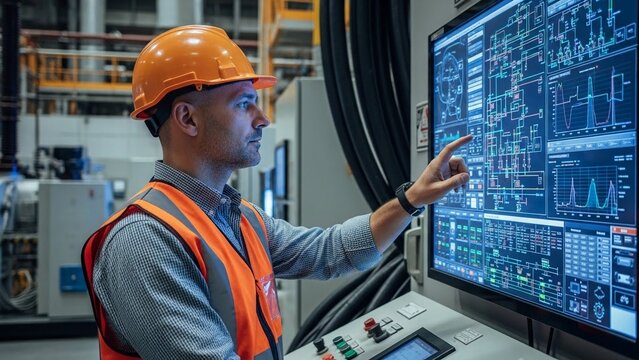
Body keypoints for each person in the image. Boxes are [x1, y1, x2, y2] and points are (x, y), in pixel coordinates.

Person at [81, 25, 472, 360]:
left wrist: (411, 200)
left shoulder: (239, 217)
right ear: (187, 118)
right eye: (244, 103)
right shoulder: (145, 241)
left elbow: (331, 251)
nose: (263, 119)